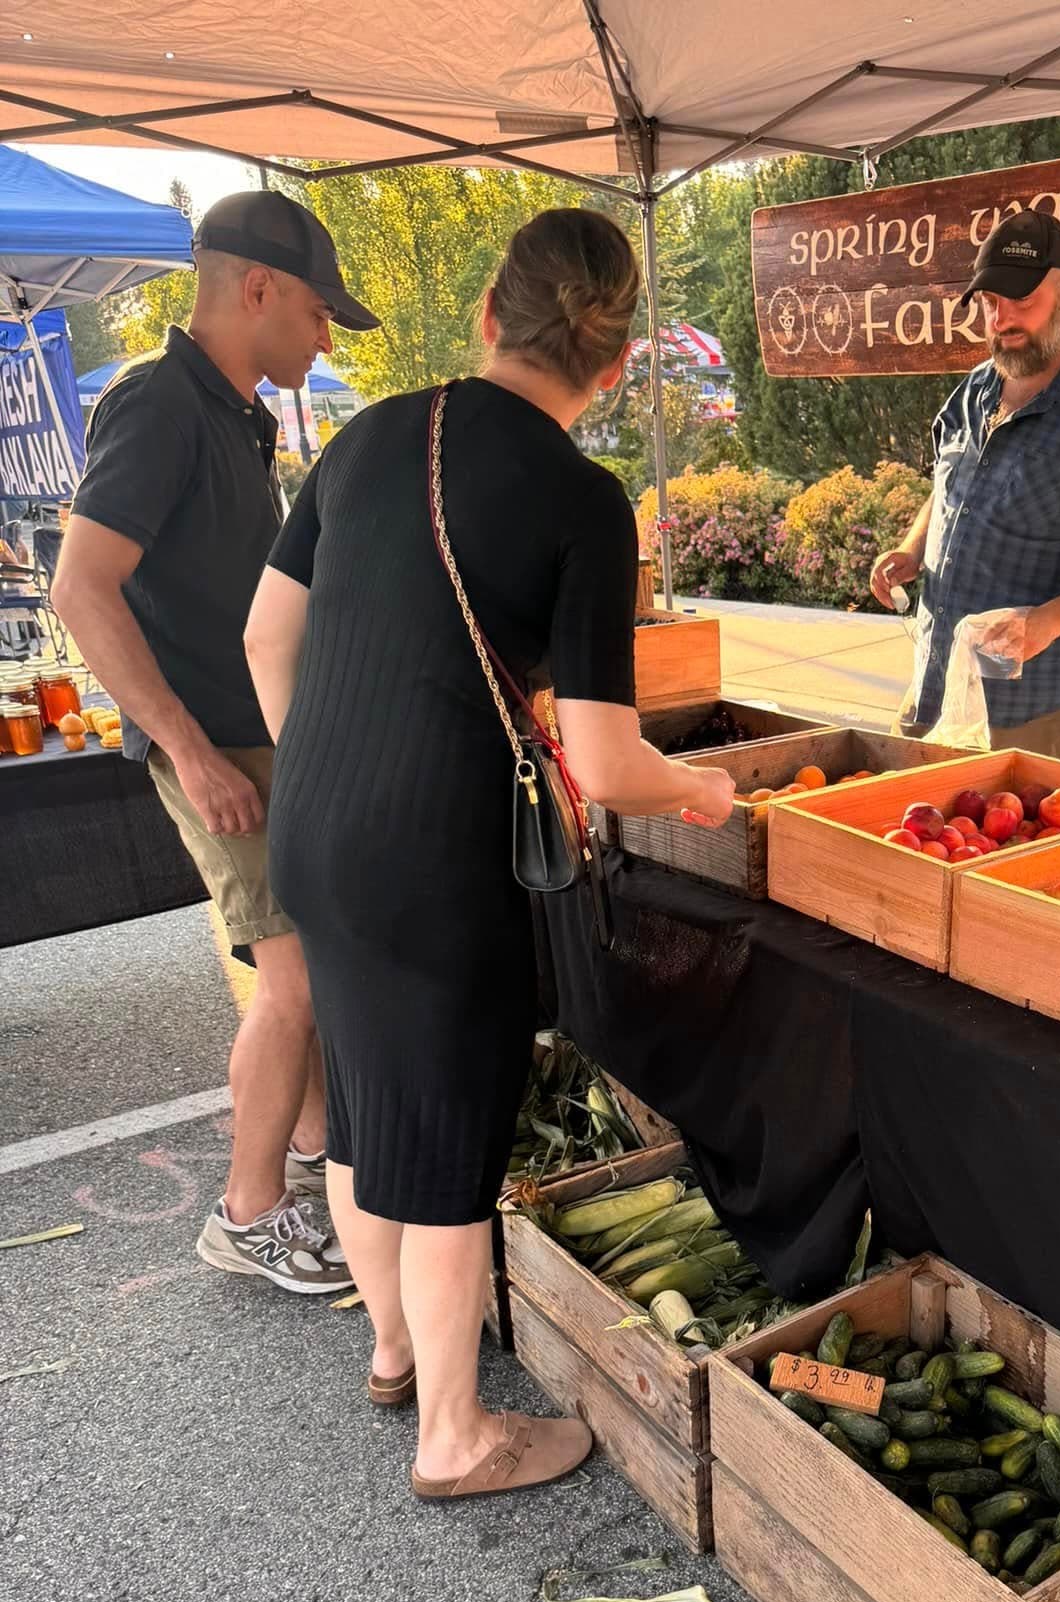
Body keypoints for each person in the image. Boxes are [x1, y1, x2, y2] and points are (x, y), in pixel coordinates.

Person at [243, 208, 735, 1502]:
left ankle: (395, 1352)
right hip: (436, 853)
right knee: (451, 1134)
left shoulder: (364, 436)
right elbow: (614, 766)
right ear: (617, 361)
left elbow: (261, 639)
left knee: (362, 1098)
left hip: (313, 823)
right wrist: (708, 787)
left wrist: (332, 772)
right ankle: (454, 1435)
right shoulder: (583, 500)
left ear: (485, 318)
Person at [53, 191, 380, 1294]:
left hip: (257, 736)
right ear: (258, 289)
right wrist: (188, 750)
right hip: (215, 748)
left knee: (311, 971)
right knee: (287, 984)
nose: (326, 336)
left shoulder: (236, 412)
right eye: (321, 312)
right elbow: (80, 587)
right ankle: (246, 1216)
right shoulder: (157, 403)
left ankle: (320, 1159)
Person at [870, 210, 1060, 764]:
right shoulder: (973, 392)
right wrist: (912, 549)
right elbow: (948, 487)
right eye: (991, 304)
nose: (1002, 318)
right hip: (936, 686)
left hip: (1034, 710)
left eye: (1022, 301)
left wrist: (1046, 622)